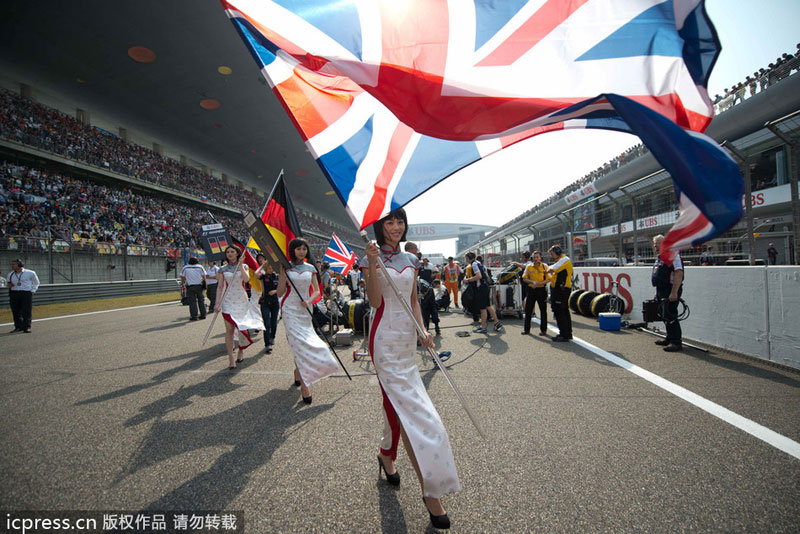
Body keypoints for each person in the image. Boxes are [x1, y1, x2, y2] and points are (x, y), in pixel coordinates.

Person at [363, 208, 459, 529]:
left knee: (396, 408)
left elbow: (414, 300)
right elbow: (376, 302)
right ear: (380, 227)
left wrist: (423, 330)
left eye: (399, 221)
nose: (395, 226)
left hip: (407, 342)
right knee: (415, 415)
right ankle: (431, 495)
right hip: (384, 342)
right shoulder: (370, 257)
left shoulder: (411, 261)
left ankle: (386, 455)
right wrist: (372, 264)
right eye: (389, 222)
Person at [278, 237, 339, 404]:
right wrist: (282, 274)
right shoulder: (286, 267)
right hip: (289, 309)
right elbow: (279, 292)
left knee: (305, 342)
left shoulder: (311, 268)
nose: (301, 252)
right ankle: (305, 385)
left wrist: (309, 300)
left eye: (304, 249)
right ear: (293, 250)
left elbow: (317, 291)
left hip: (305, 309)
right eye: (298, 249)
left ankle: (298, 372)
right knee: (297, 343)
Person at [214, 245, 264, 369]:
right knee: (229, 330)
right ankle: (231, 357)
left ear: (237, 254)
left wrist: (241, 265)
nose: (230, 254)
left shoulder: (244, 266)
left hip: (241, 300)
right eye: (228, 252)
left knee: (241, 327)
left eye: (232, 252)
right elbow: (220, 287)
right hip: (227, 301)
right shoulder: (222, 269)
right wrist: (217, 303)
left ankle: (241, 350)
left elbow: (246, 279)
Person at [651, 235, 683, 352]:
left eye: (657, 243)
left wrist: (674, 292)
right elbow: (660, 276)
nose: (655, 245)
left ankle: (676, 342)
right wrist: (657, 291)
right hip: (661, 290)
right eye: (654, 243)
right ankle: (669, 338)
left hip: (670, 290)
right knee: (664, 315)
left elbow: (679, 274)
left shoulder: (673, 255)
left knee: (671, 315)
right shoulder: (660, 257)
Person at [464, 252, 502, 334]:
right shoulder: (479, 263)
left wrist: (468, 280)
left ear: (470, 258)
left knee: (483, 308)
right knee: (488, 306)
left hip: (481, 288)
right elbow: (486, 276)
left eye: (466, 258)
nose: (466, 260)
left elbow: (479, 276)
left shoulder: (474, 264)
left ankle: (483, 327)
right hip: (485, 287)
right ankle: (496, 322)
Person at [545, 245, 573, 341]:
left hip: (561, 289)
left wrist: (543, 271)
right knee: (563, 311)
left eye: (552, 254)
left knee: (560, 312)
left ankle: (564, 334)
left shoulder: (564, 259)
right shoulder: (559, 261)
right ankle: (567, 333)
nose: (552, 256)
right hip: (559, 289)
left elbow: (551, 269)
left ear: (557, 252)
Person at [521, 251, 550, 337]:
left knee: (543, 310)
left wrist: (539, 283)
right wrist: (532, 282)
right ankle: (526, 330)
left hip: (541, 290)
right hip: (531, 290)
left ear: (540, 257)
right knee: (528, 310)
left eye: (537, 257)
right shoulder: (529, 267)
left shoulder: (545, 267)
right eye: (534, 257)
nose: (536, 259)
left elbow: (549, 279)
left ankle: (543, 330)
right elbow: (524, 278)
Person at [254, 254, 279, 352]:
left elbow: (282, 288)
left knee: (274, 323)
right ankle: (267, 343)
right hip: (265, 302)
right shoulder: (263, 277)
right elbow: (256, 274)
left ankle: (272, 337)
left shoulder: (277, 277)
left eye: (272, 268)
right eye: (268, 267)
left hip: (275, 303)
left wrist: (275, 291)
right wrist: (262, 265)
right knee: (267, 323)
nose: (270, 269)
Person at [7, 259, 39, 333]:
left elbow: (36, 282)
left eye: (14, 264)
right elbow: (8, 282)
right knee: (15, 311)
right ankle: (18, 326)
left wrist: (32, 291)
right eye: (12, 264)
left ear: (20, 265)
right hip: (14, 293)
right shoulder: (10, 274)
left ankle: (26, 327)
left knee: (26, 311)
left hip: (26, 293)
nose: (12, 266)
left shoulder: (30, 273)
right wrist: (9, 285)